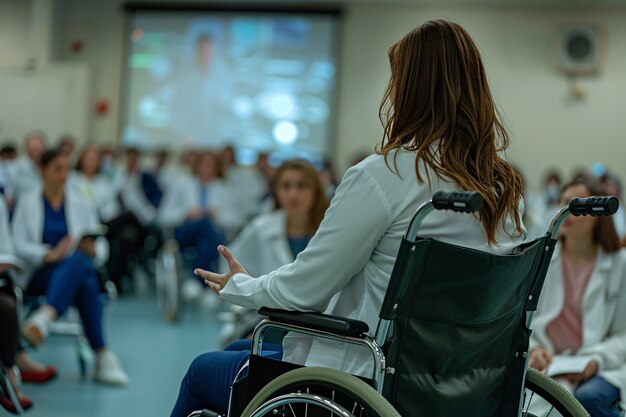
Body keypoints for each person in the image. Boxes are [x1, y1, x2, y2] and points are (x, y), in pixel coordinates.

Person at [170, 20, 526, 416]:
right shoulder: (503, 190)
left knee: (202, 370)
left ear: (408, 91)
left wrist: (242, 286)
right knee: (241, 347)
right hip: (460, 378)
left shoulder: (384, 175)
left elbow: (306, 290)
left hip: (368, 379)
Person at [11, 149, 129, 386]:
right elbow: (17, 243)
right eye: (57, 169)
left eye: (66, 169)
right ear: (43, 170)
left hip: (73, 271)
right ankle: (102, 354)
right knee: (81, 268)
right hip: (38, 273)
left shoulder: (80, 201)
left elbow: (99, 239)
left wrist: (96, 250)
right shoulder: (28, 201)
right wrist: (48, 254)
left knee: (81, 265)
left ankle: (44, 319)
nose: (63, 175)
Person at [529, 178, 626, 417]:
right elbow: (524, 322)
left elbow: (623, 335)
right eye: (562, 202)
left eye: (577, 203)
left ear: (598, 215)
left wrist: (596, 361)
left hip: (601, 364)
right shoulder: (541, 260)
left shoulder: (619, 264)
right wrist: (533, 350)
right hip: (550, 364)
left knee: (588, 399)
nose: (567, 209)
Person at [218, 159, 330, 343]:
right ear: (276, 192)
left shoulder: (330, 230)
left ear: (316, 191)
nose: (293, 193)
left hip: (320, 323)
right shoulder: (261, 228)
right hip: (266, 319)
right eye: (285, 186)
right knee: (242, 348)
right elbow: (229, 265)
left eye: (302, 186)